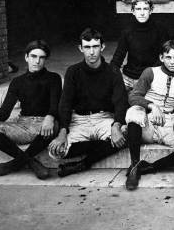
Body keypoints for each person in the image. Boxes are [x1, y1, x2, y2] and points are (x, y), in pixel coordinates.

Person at [48, 28, 128, 177]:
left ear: (102, 47)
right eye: (87, 47)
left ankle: (83, 164)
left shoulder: (113, 71)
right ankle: (99, 148)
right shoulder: (73, 71)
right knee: (55, 152)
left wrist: (116, 125)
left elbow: (121, 101)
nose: (92, 52)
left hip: (103, 118)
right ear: (80, 48)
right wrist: (63, 131)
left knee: (126, 135)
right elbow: (65, 103)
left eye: (95, 47)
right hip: (79, 120)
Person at [124, 40, 174, 190]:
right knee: (134, 113)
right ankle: (135, 166)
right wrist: (152, 106)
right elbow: (133, 96)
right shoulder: (151, 72)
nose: (172, 62)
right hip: (147, 120)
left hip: (167, 121)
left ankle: (151, 167)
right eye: (168, 57)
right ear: (161, 58)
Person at [0, 40, 61, 179]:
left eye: (41, 57)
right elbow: (4, 112)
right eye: (33, 56)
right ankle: (31, 163)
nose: (37, 61)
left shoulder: (54, 78)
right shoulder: (17, 82)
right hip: (22, 124)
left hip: (44, 124)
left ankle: (10, 166)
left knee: (53, 126)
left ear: (45, 59)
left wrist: (50, 116)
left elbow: (55, 106)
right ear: (26, 57)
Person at [111, 0, 169, 91]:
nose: (142, 13)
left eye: (145, 9)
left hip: (150, 78)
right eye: (138, 9)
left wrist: (149, 76)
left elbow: (165, 56)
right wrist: (110, 74)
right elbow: (118, 56)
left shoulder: (160, 30)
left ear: (151, 10)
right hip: (128, 78)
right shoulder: (127, 31)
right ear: (133, 11)